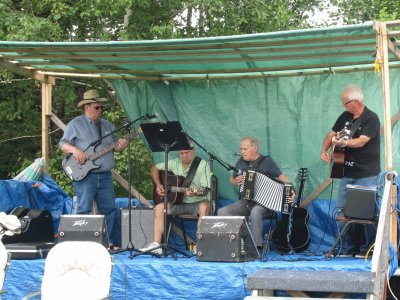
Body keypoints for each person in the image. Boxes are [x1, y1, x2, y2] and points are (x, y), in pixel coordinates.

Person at [59, 89, 128, 248]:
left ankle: (106, 242)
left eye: (101, 107)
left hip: (105, 175)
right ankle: (80, 244)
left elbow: (116, 148)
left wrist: (122, 146)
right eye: (97, 107)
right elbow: (63, 144)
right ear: (86, 107)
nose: (100, 110)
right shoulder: (75, 124)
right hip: (85, 176)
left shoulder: (108, 125)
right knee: (83, 209)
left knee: (109, 209)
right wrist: (75, 150)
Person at [320, 84, 380, 258]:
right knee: (341, 211)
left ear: (356, 101)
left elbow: (361, 141)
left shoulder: (371, 118)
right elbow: (332, 134)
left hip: (367, 173)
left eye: (345, 103)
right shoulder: (345, 116)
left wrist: (342, 143)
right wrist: (324, 150)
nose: (343, 106)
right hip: (346, 171)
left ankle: (367, 250)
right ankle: (346, 249)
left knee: (366, 213)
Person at [218, 136, 295, 249]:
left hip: (264, 204)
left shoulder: (267, 161)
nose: (242, 152)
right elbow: (232, 179)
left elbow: (283, 178)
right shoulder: (241, 162)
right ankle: (232, 245)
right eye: (241, 149)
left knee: (255, 212)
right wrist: (236, 181)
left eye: (245, 149)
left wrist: (292, 191)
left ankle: (256, 247)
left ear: (255, 148)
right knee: (222, 212)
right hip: (246, 201)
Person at [139, 145, 211, 255]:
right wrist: (158, 185)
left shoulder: (202, 165)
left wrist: (195, 192)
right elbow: (154, 168)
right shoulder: (174, 163)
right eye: (181, 153)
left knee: (204, 207)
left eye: (187, 152)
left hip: (197, 202)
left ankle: (201, 245)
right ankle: (156, 245)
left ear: (193, 151)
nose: (184, 156)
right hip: (179, 202)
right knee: (159, 208)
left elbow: (205, 190)